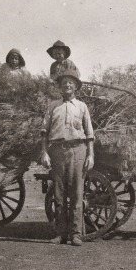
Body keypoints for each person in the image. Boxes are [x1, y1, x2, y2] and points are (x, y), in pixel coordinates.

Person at [40, 67, 95, 246]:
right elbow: (44, 132)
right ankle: (60, 234)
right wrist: (44, 152)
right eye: (64, 83)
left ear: (76, 87)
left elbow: (89, 134)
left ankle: (76, 234)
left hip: (78, 150)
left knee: (77, 193)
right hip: (57, 151)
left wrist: (90, 155)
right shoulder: (52, 106)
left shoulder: (82, 107)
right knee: (59, 193)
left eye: (71, 83)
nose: (68, 85)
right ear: (60, 87)